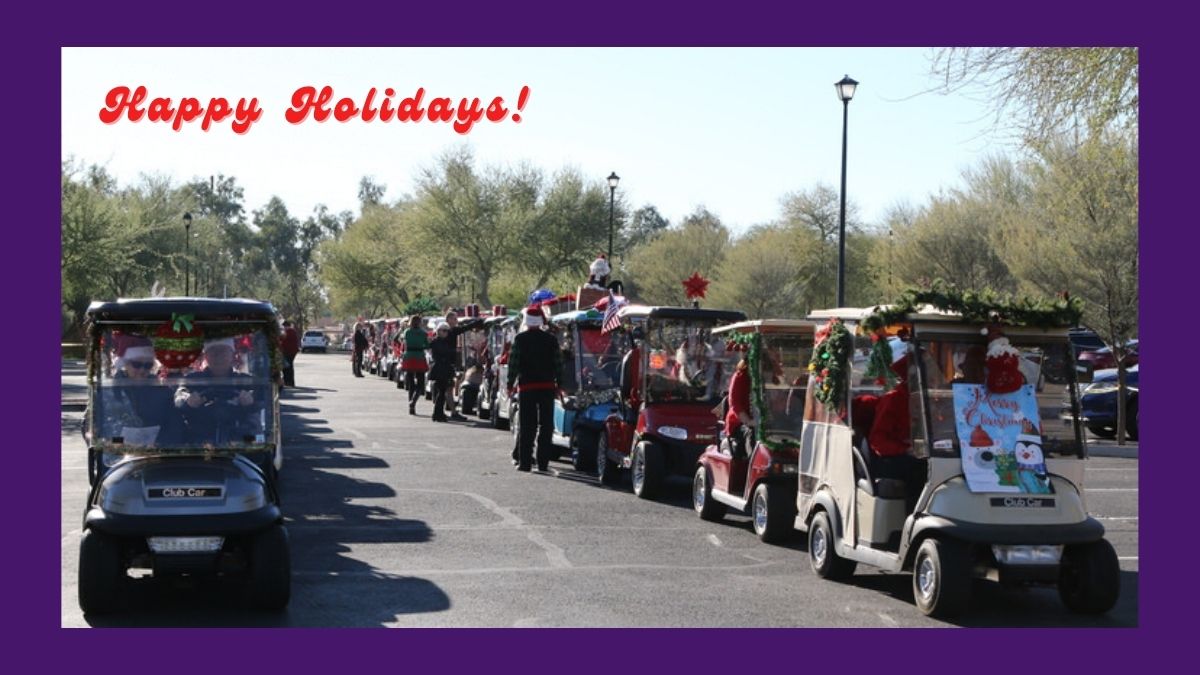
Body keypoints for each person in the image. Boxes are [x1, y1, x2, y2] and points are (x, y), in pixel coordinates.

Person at [506, 306, 564, 472]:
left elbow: (513, 364)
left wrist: (510, 384)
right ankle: (543, 463)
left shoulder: (520, 339)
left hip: (527, 386)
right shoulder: (551, 340)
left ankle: (524, 463)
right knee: (546, 425)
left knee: (527, 425)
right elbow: (558, 364)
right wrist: (559, 384)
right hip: (547, 386)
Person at [174, 337, 259, 445]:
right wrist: (188, 400)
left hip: (238, 439)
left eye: (223, 351)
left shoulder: (246, 381)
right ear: (206, 356)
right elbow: (179, 396)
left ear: (232, 355)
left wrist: (250, 401)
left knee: (255, 441)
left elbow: (262, 399)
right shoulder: (192, 380)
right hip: (199, 442)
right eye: (213, 351)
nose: (218, 356)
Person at [99, 335, 179, 446]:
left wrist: (158, 443)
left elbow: (176, 428)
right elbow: (93, 432)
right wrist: (121, 443)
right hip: (116, 456)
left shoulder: (162, 392)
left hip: (156, 455)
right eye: (136, 364)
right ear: (125, 363)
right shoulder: (108, 392)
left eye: (147, 365)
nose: (142, 370)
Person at [723, 355, 755, 459]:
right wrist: (749, 421)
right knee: (751, 432)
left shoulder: (767, 378)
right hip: (740, 422)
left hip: (763, 422)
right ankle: (753, 465)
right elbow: (735, 403)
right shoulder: (739, 377)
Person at [401, 314, 431, 415]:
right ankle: (413, 401)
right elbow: (427, 345)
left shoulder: (407, 332)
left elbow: (404, 342)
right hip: (419, 356)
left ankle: (411, 406)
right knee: (420, 383)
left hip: (409, 356)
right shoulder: (423, 333)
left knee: (411, 383)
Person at [280, 320, 300, 387]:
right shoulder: (292, 331)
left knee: (287, 366)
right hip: (292, 351)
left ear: (286, 326)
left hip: (288, 351)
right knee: (289, 366)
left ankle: (288, 382)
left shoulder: (288, 332)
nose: (284, 328)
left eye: (284, 326)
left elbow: (283, 340)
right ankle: (289, 382)